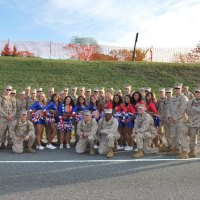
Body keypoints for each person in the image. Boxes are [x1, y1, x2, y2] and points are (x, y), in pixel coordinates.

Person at [167, 82, 188, 158]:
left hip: (181, 121)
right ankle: (176, 149)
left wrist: (174, 118)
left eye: (178, 88)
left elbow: (182, 110)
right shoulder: (172, 98)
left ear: (181, 89)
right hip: (172, 121)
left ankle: (184, 152)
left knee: (182, 136)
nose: (176, 89)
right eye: (175, 88)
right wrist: (169, 117)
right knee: (173, 136)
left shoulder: (184, 98)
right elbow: (168, 108)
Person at [0, 85, 16, 149]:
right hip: (3, 118)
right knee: (1, 131)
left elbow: (15, 109)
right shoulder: (1, 98)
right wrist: (6, 116)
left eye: (10, 90)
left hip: (11, 118)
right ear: (4, 90)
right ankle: (2, 143)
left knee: (11, 131)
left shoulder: (13, 99)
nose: (8, 91)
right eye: (7, 89)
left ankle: (10, 144)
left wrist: (11, 115)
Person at [186, 85, 200, 158]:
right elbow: (188, 111)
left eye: (199, 92)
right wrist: (197, 110)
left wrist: (194, 108)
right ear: (194, 93)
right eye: (196, 92)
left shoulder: (191, 104)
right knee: (192, 138)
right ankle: (192, 151)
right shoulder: (190, 101)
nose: (198, 93)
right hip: (193, 122)